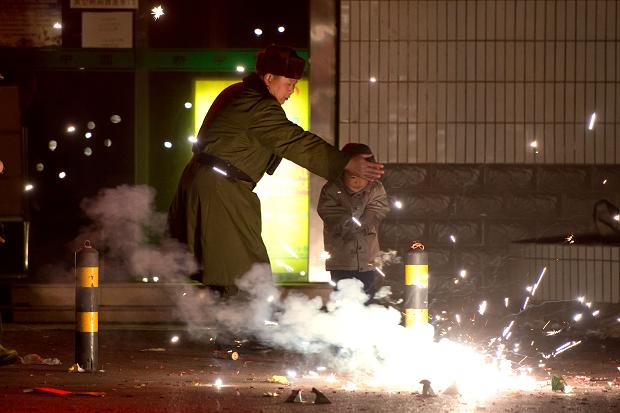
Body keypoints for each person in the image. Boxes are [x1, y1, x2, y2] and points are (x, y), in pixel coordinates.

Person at [168, 45, 384, 295]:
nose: (292, 91)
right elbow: (294, 140)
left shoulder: (239, 93)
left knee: (227, 267)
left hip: (213, 184)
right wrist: (345, 163)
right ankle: (240, 328)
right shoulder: (257, 104)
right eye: (289, 84)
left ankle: (230, 326)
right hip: (220, 189)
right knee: (245, 272)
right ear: (269, 78)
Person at [317, 143, 390, 299]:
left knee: (367, 297)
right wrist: (350, 222)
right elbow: (330, 213)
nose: (358, 182)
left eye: (363, 178)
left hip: (368, 260)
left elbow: (378, 209)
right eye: (353, 177)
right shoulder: (332, 189)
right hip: (341, 260)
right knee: (342, 298)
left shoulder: (375, 188)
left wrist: (364, 222)